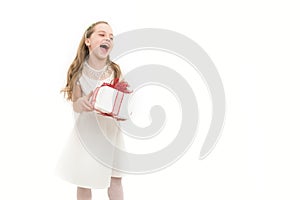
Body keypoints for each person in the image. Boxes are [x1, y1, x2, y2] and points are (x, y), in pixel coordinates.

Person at [56, 21, 125, 200]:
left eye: (111, 37)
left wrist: (123, 111)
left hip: (111, 132)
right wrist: (82, 102)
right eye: (102, 35)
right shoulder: (79, 72)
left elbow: (119, 99)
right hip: (89, 132)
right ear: (88, 41)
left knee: (115, 179)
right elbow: (75, 104)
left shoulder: (114, 69)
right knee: (85, 179)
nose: (108, 39)